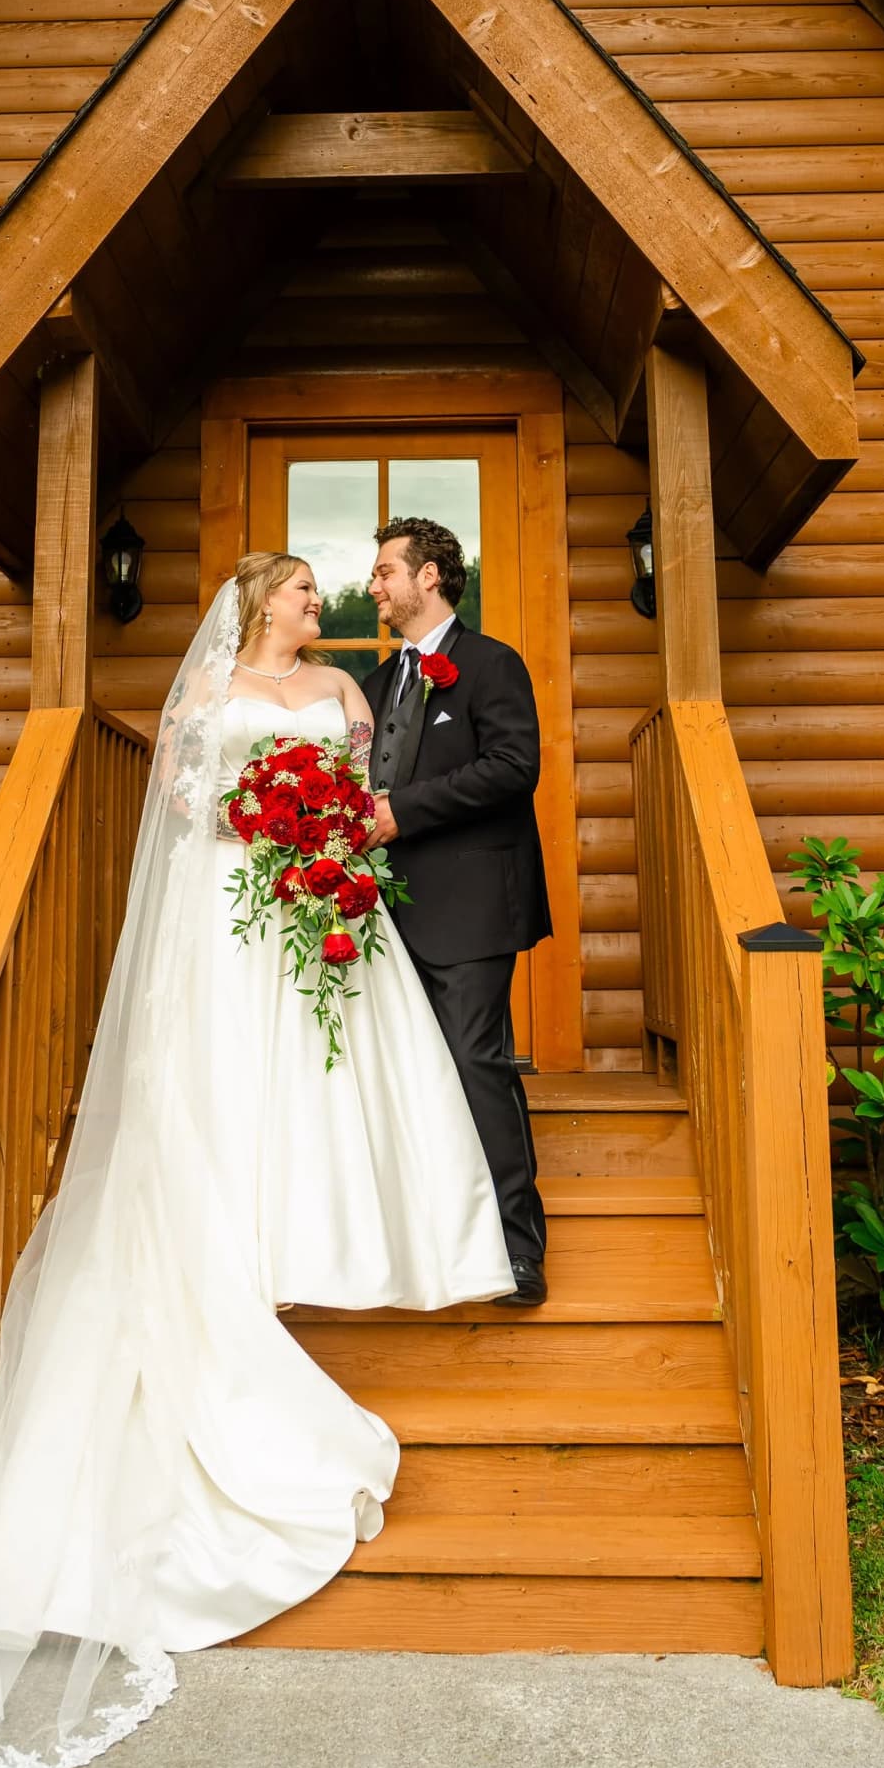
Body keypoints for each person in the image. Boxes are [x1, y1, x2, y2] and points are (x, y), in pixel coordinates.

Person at [0, 551, 513, 1768]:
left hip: (327, 902)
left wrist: (323, 835)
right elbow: (180, 807)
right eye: (298, 593)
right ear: (255, 603)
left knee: (350, 1084)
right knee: (231, 1083)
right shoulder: (213, 687)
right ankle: (236, 1248)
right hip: (236, 908)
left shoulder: (346, 697)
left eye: (320, 595)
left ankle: (360, 1241)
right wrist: (255, 822)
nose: (316, 606)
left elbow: (374, 790)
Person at [363, 517, 550, 1304]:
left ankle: (517, 1251)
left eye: (384, 573)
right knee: (404, 1075)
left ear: (429, 576)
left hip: (472, 904)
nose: (373, 587)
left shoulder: (490, 664)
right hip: (379, 913)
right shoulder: (372, 686)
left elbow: (514, 768)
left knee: (477, 1064)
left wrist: (402, 811)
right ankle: (431, 1242)